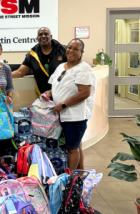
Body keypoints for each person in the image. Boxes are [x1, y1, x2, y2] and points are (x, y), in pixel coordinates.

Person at [44, 39, 96, 171]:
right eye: (69, 47)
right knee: (76, 145)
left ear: (81, 52)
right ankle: (80, 174)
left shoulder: (83, 68)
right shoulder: (61, 67)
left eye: (75, 49)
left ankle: (70, 178)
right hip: (63, 114)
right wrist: (50, 92)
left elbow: (84, 93)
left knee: (72, 147)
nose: (71, 51)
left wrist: (63, 105)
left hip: (75, 115)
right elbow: (57, 85)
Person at [12, 27, 67, 95]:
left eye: (46, 34)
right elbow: (20, 72)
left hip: (63, 93)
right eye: (40, 34)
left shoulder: (64, 50)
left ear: (51, 36)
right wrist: (2, 76)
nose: (43, 36)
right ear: (37, 38)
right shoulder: (32, 55)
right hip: (44, 96)